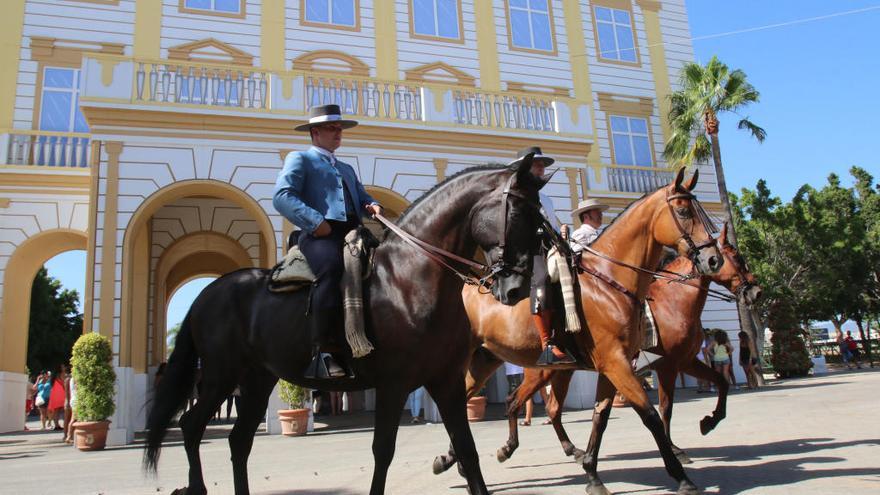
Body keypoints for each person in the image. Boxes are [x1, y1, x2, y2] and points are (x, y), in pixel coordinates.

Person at [273, 104, 382, 380]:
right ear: (315, 132)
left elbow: (361, 194)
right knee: (332, 270)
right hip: (320, 234)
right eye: (332, 129)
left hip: (353, 232)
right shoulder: (300, 159)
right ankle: (325, 351)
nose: (338, 134)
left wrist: (372, 204)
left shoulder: (346, 167)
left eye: (340, 129)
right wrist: (315, 222)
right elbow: (283, 196)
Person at [510, 147, 574, 365]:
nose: (542, 169)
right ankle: (546, 342)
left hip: (550, 247)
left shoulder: (546, 199)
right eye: (537, 165)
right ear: (526, 169)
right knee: (543, 279)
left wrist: (561, 234)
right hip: (529, 250)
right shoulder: (516, 195)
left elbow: (552, 225)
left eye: (542, 166)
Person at [47, 366, 66, 431]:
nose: (64, 367)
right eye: (63, 367)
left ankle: (56, 425)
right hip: (60, 393)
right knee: (64, 410)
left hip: (55, 393)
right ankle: (64, 424)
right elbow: (64, 383)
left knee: (56, 410)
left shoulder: (54, 376)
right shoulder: (61, 374)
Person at [65, 368, 77, 444]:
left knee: (73, 418)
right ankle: (69, 436)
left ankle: (70, 436)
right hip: (76, 400)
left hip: (73, 400)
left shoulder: (71, 379)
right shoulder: (75, 379)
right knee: (73, 418)